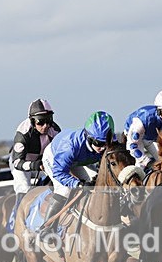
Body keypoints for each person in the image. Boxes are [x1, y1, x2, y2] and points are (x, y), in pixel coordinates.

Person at [38, 111, 116, 236]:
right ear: (89, 137)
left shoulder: (107, 139)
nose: (103, 148)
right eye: (99, 144)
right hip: (55, 158)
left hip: (79, 159)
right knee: (64, 189)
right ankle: (46, 228)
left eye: (106, 143)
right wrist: (78, 184)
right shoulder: (69, 147)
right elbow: (59, 173)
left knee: (95, 185)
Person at [7, 99, 61, 227]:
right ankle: (17, 224)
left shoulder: (55, 130)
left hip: (42, 162)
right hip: (21, 162)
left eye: (49, 120)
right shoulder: (23, 132)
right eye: (41, 122)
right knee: (24, 188)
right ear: (32, 121)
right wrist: (34, 165)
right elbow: (17, 162)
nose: (45, 126)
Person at [123, 89, 162, 170]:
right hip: (136, 140)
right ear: (159, 111)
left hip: (152, 140)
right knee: (140, 166)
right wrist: (147, 162)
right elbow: (133, 146)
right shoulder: (144, 119)